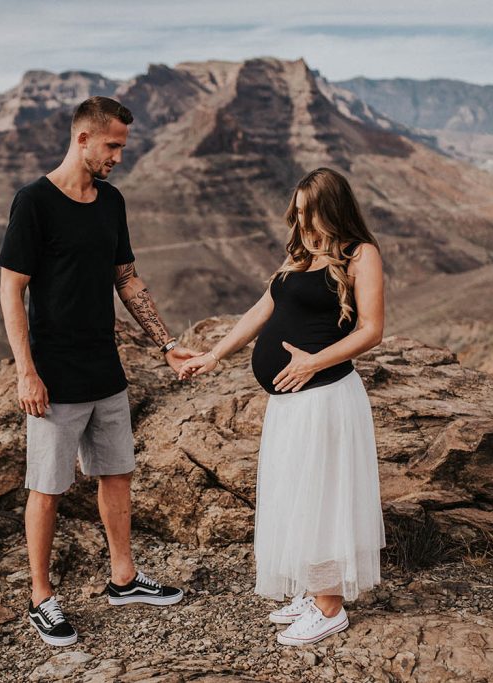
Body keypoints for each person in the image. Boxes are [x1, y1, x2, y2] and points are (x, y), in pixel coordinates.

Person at [0, 96, 196, 647]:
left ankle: (124, 578)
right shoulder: (33, 202)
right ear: (82, 139)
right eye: (112, 146)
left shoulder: (111, 202)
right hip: (55, 376)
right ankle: (41, 597)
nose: (118, 157)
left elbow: (126, 277)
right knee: (48, 486)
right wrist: (26, 372)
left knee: (116, 474)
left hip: (105, 371)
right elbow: (11, 288)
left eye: (122, 148)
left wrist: (167, 345)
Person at [180, 167, 386, 646]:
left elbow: (371, 330)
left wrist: (314, 361)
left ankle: (331, 607)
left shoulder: (361, 255)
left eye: (311, 214)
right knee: (297, 493)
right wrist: (212, 356)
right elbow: (260, 310)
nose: (303, 223)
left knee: (324, 496)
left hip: (325, 398)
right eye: (297, 213)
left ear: (334, 210)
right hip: (289, 403)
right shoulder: (301, 254)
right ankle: (315, 591)